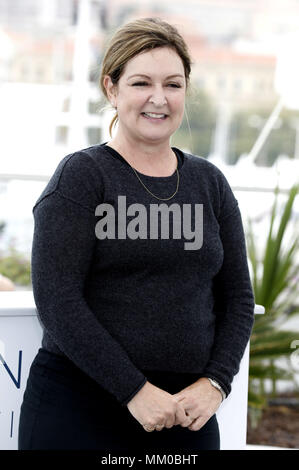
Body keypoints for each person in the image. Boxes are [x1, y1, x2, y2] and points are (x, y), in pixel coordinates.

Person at [18, 17, 255, 451]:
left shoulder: (210, 183)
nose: (159, 99)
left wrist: (217, 383)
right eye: (141, 82)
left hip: (186, 414)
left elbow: (238, 297)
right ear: (112, 88)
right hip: (79, 409)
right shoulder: (82, 177)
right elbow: (57, 300)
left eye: (173, 84)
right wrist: (134, 391)